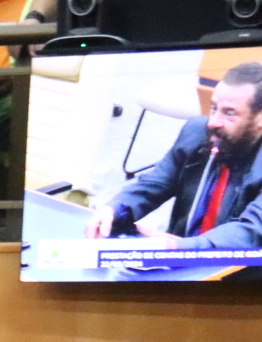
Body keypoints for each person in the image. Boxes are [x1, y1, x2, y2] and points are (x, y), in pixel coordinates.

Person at [84, 62, 262, 251]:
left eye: (230, 113)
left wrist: (180, 247)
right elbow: (155, 183)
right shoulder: (196, 132)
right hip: (178, 252)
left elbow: (250, 231)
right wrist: (116, 208)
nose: (213, 122)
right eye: (214, 108)